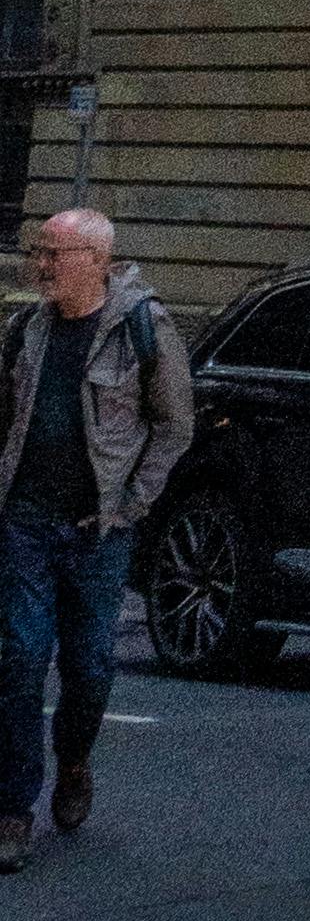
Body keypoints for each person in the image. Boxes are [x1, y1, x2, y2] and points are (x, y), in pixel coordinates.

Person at [0, 211, 190, 865]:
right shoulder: (26, 327)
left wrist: (133, 503)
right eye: (39, 250)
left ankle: (74, 760)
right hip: (24, 521)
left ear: (97, 258)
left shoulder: (143, 326)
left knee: (87, 668)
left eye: (55, 252)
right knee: (19, 662)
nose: (42, 263)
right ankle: (12, 809)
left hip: (98, 531)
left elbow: (173, 424)